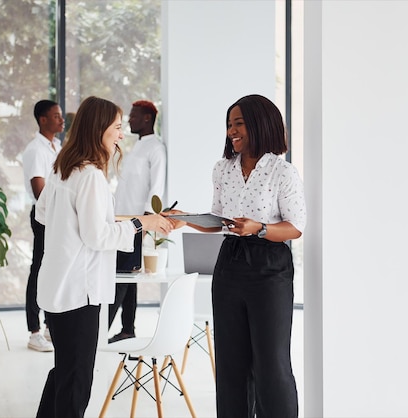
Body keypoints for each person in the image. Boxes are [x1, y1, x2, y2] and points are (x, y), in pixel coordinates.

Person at [34, 96, 176, 418]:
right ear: (98, 129)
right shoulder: (91, 176)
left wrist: (144, 221)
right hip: (78, 294)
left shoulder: (62, 170)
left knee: (64, 371)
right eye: (115, 127)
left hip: (57, 289)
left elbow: (44, 215)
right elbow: (98, 236)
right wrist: (142, 223)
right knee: (77, 378)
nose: (120, 134)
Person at [179, 94, 306, 418]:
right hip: (230, 264)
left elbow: (294, 228)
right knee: (231, 362)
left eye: (238, 123)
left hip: (270, 268)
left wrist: (259, 228)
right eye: (229, 125)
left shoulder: (282, 171)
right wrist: (185, 217)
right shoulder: (222, 169)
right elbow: (220, 221)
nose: (231, 131)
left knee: (271, 364)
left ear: (260, 124)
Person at [108, 100, 167, 343]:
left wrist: (145, 225)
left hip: (136, 224)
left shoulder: (156, 149)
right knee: (127, 277)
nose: (129, 121)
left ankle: (102, 328)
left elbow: (156, 189)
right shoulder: (136, 148)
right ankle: (128, 328)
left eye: (133, 116)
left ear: (147, 118)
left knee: (122, 276)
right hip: (120, 222)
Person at [21, 99, 64, 352]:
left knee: (52, 270)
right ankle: (33, 331)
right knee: (38, 270)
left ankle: (49, 326)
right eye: (56, 116)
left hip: (58, 218)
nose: (61, 120)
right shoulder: (35, 150)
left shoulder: (56, 146)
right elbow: (40, 191)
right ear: (43, 120)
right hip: (44, 217)